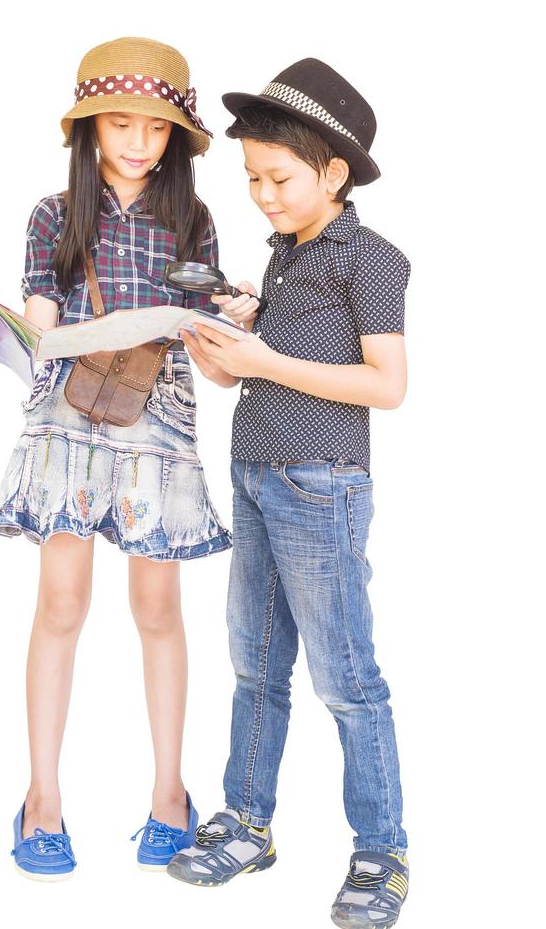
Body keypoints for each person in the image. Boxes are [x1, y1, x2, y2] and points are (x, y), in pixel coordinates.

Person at [0, 36, 232, 880]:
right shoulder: (51, 214)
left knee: (157, 610)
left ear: (177, 135)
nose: (138, 141)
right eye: (119, 122)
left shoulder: (193, 221)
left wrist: (228, 320)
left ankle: (170, 795)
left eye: (155, 125)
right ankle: (42, 799)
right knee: (61, 606)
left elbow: (202, 339)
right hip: (68, 418)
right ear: (89, 127)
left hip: (158, 419)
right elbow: (38, 337)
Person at [169, 58, 411, 929]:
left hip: (322, 488)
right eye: (251, 180)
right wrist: (225, 338)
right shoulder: (283, 255)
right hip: (257, 476)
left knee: (347, 680)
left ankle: (382, 850)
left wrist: (266, 357)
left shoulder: (372, 260)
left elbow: (386, 386)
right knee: (255, 667)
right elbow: (255, 382)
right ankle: (249, 821)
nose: (262, 196)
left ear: (333, 173)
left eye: (278, 178)